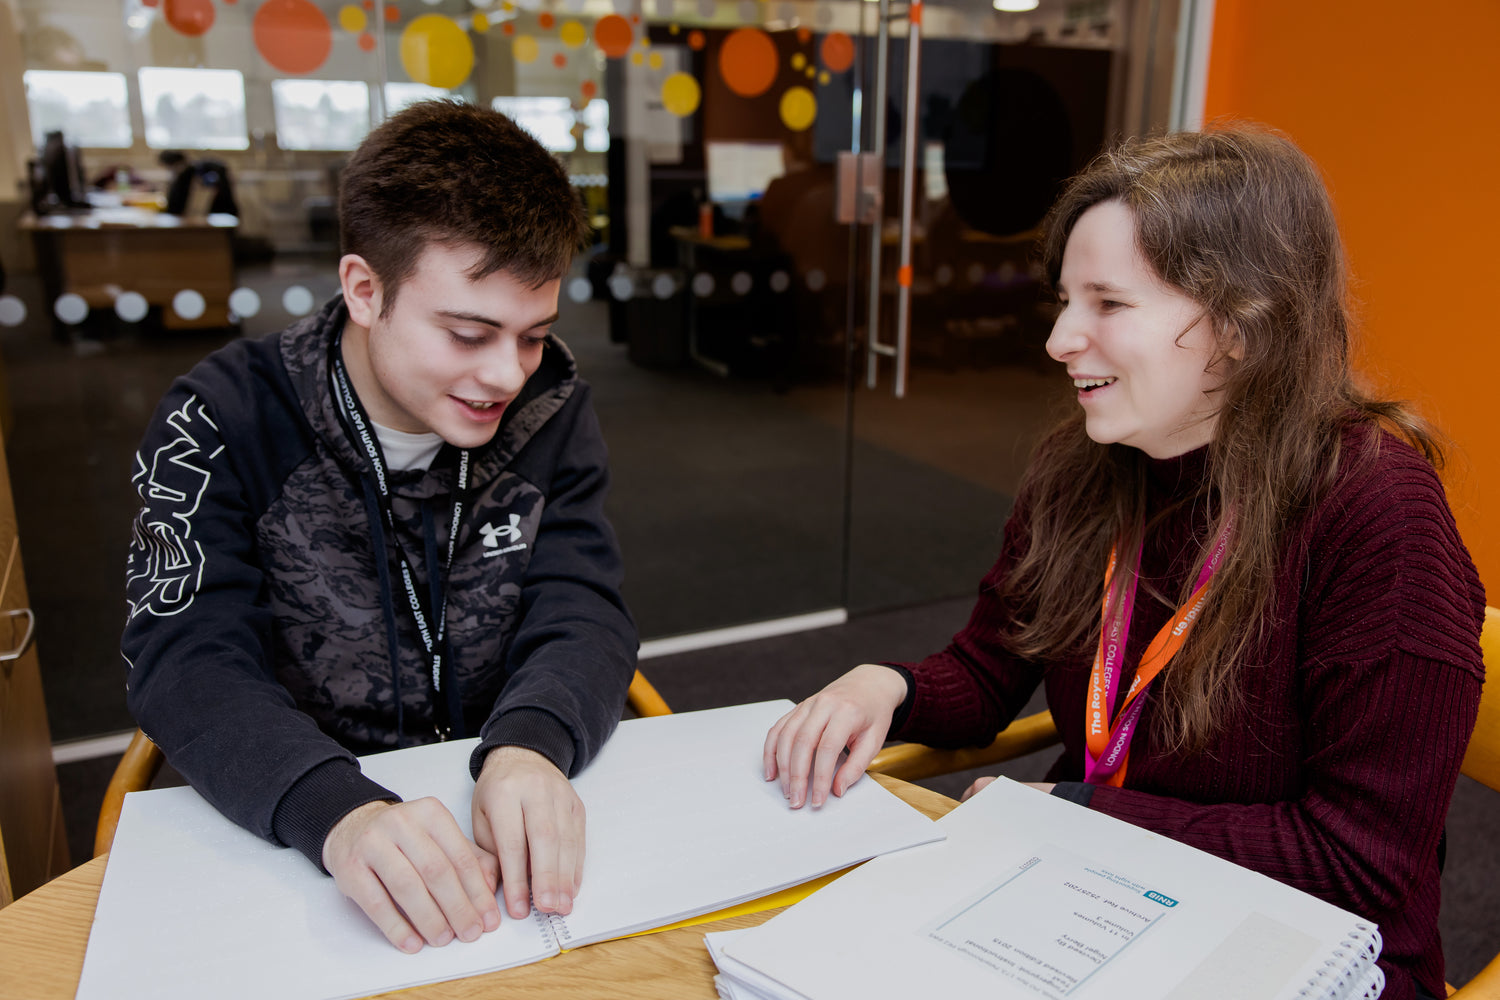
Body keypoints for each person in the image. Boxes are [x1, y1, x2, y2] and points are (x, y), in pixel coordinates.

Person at [762, 127, 1484, 1000]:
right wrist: (888, 686)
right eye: (1066, 299)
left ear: (1242, 326)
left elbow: (1356, 861)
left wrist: (1080, 813)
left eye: (1108, 303)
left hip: (1293, 948)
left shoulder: (1378, 514)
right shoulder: (1084, 465)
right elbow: (992, 668)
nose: (1061, 338)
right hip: (1094, 897)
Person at [123, 101, 636, 954]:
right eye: (469, 333)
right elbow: (187, 660)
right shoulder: (224, 416)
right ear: (365, 289)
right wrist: (335, 811)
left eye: (534, 334)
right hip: (305, 828)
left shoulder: (551, 410)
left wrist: (534, 745)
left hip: (497, 805)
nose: (505, 373)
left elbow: (582, 602)